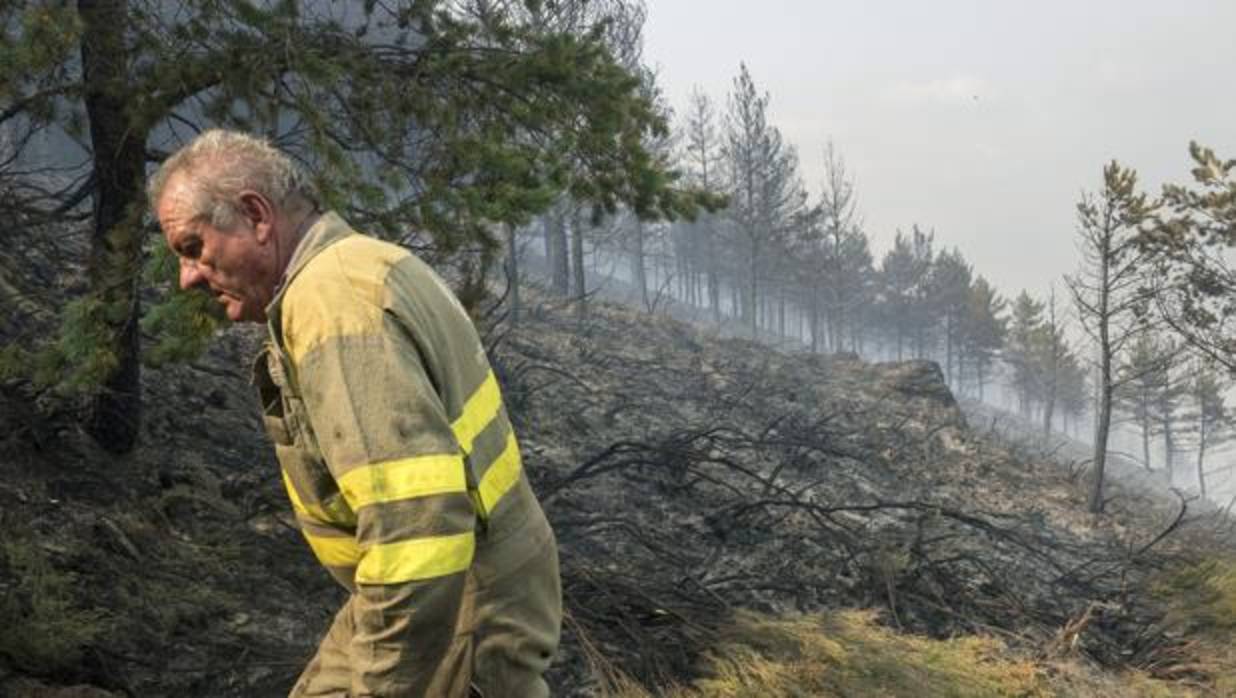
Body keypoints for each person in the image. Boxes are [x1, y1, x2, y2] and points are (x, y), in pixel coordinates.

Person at [149, 129, 561, 697]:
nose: (187, 278)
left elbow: (417, 528)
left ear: (255, 216)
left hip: (452, 599)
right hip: (435, 586)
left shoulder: (332, 306)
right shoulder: (358, 266)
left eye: (194, 248)